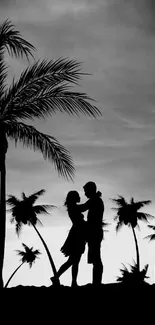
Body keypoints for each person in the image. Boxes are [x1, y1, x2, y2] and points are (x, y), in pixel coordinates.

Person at [51, 191, 86, 287]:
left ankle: (71, 281)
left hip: (77, 233)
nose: (79, 197)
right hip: (77, 234)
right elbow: (84, 207)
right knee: (74, 260)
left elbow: (83, 207)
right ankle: (62, 278)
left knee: (74, 260)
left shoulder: (72, 207)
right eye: (77, 196)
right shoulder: (73, 207)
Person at [78, 181, 104, 285]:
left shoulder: (95, 200)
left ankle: (96, 283)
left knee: (96, 259)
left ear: (90, 190)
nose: (84, 194)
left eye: (85, 191)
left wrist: (71, 205)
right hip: (95, 232)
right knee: (95, 258)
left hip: (95, 232)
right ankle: (96, 282)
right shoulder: (95, 200)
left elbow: (83, 207)